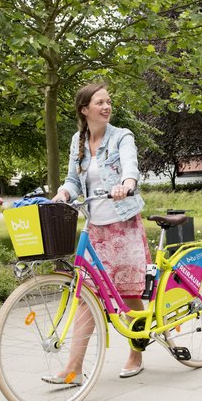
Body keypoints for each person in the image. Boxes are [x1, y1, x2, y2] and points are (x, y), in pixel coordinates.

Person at [50, 81, 150, 380]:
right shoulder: (77, 141)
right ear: (85, 110)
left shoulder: (122, 136)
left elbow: (131, 167)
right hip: (95, 227)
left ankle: (136, 352)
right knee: (87, 294)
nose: (106, 107)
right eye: (100, 103)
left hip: (124, 224)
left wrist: (127, 185)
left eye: (108, 102)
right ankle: (74, 369)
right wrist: (63, 194)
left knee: (129, 293)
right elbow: (73, 180)